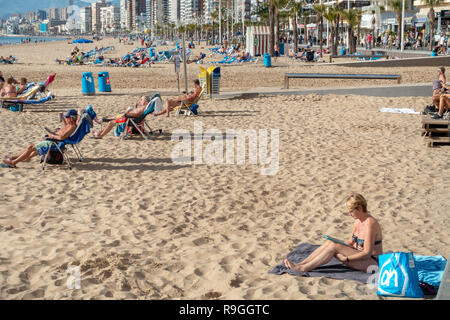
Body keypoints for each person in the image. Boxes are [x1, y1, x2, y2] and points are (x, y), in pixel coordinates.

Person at [284, 193, 383, 273]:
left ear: (360, 208)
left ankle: (303, 268)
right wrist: (340, 244)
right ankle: (302, 264)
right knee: (331, 243)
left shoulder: (370, 224)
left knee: (334, 247)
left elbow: (367, 253)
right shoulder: (358, 220)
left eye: (351, 211)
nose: (349, 214)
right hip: (358, 254)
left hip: (371, 262)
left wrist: (347, 259)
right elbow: (351, 242)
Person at [2, 109, 78, 168]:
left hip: (54, 143)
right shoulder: (69, 125)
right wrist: (54, 131)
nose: (66, 118)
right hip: (53, 141)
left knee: (30, 147)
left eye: (67, 117)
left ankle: (13, 162)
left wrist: (52, 136)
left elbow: (62, 137)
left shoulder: (72, 127)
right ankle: (14, 158)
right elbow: (62, 132)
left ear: (72, 118)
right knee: (31, 146)